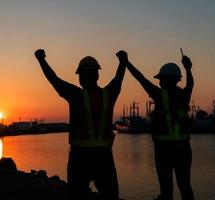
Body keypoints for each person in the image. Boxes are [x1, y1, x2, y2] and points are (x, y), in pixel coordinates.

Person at [34, 49, 127, 200]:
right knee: (110, 196)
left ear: (81, 77)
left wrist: (41, 59)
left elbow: (54, 79)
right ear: (97, 75)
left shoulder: (75, 95)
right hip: (104, 158)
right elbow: (119, 78)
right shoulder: (109, 94)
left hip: (80, 158)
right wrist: (123, 61)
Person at [121, 52, 194, 200]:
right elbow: (191, 84)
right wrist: (188, 68)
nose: (159, 82)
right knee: (185, 185)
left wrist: (126, 63)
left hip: (164, 150)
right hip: (183, 148)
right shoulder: (184, 95)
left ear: (166, 80)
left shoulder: (158, 95)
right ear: (177, 79)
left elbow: (140, 78)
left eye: (160, 79)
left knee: (166, 189)